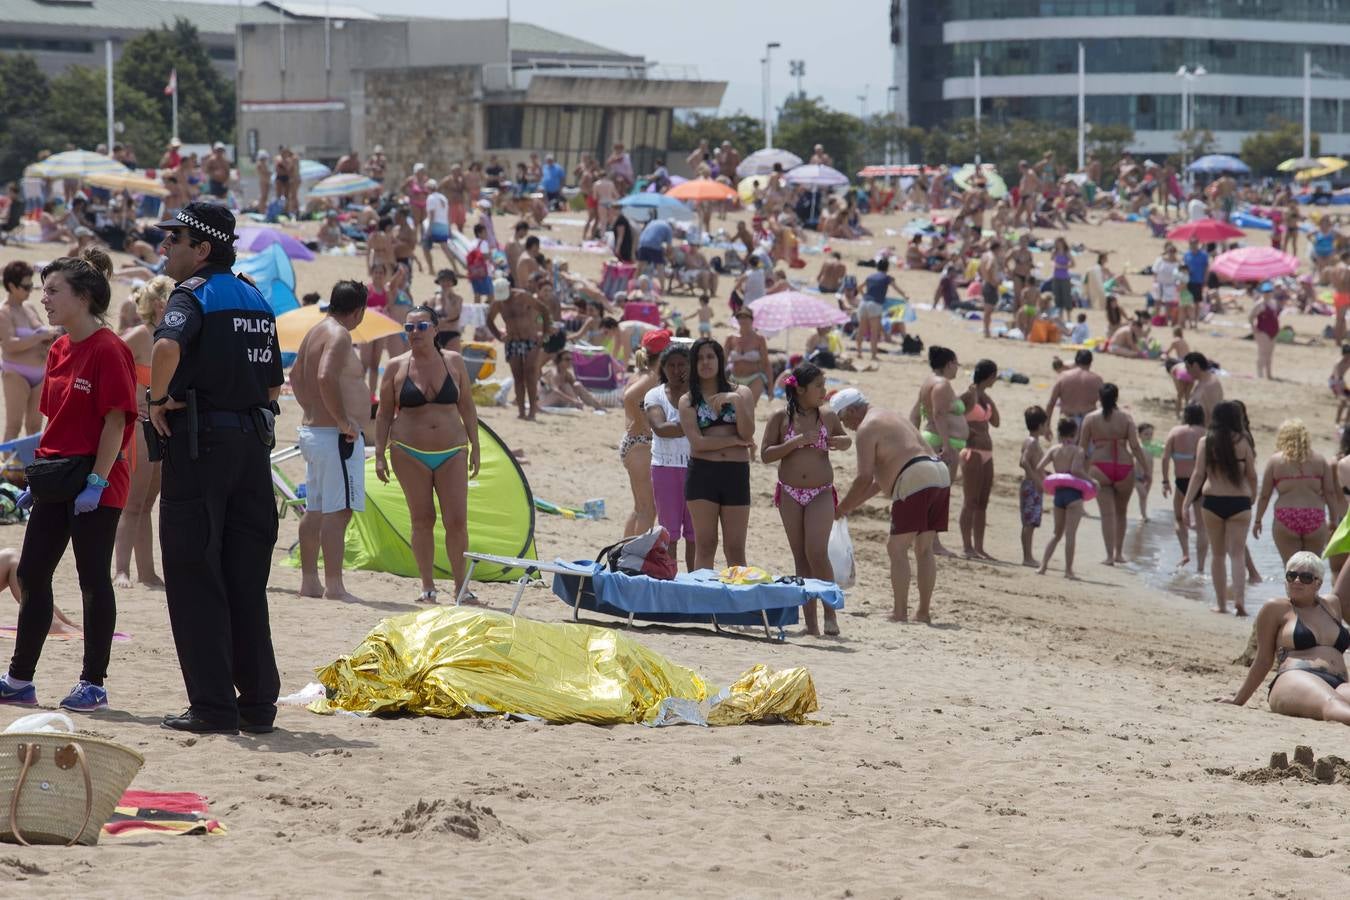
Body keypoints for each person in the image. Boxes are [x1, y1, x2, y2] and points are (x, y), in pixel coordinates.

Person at [146, 203, 285, 734]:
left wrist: (157, 401)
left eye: (174, 239)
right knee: (246, 579)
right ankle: (258, 704)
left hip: (201, 447)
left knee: (193, 572)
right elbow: (273, 387)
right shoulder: (256, 297)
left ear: (202, 249)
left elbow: (165, 348)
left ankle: (212, 705)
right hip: (252, 449)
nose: (165, 247)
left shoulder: (192, 295)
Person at [0, 250, 135, 712]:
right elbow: (53, 421)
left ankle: (93, 683)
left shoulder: (109, 348)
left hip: (98, 477)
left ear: (84, 297)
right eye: (44, 290)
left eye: (54, 291)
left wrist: (96, 481)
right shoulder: (58, 348)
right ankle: (20, 680)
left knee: (93, 578)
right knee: (32, 572)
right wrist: (35, 477)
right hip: (56, 477)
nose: (45, 299)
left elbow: (115, 422)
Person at [374, 305, 479, 603]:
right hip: (409, 451)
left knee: (456, 520)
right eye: (409, 328)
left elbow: (467, 406)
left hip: (453, 450)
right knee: (422, 519)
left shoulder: (454, 361)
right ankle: (427, 586)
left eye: (421, 327)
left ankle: (460, 587)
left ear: (435, 329)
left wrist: (475, 446)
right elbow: (383, 413)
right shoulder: (395, 366)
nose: (415, 333)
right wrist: (379, 454)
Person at [834, 389, 949, 623]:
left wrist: (841, 508)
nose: (847, 426)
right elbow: (878, 482)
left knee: (896, 548)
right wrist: (849, 506)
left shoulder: (867, 428)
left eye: (844, 419)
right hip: (939, 472)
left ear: (853, 410)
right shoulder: (892, 416)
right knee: (924, 549)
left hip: (914, 475)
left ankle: (899, 612)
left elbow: (864, 478)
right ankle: (923, 612)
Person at [290, 281, 370, 602]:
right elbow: (325, 376)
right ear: (359, 310)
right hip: (335, 436)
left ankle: (310, 581)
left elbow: (295, 376)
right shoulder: (339, 334)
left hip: (315, 432)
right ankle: (334, 585)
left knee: (316, 508)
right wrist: (342, 420)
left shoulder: (315, 331)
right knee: (339, 511)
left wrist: (312, 408)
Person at [760, 363, 850, 636]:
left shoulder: (827, 416)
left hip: (820, 492)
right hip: (789, 492)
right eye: (818, 386)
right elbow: (766, 454)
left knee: (817, 553)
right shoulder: (780, 418)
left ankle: (830, 616)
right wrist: (795, 442)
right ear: (800, 390)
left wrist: (841, 443)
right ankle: (811, 624)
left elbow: (845, 439)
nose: (824, 391)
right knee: (800, 557)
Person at [1219, 552, 1350, 724]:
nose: (1297, 581)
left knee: (1338, 702)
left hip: (1338, 682)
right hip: (1295, 678)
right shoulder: (1275, 608)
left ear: (1318, 583)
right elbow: (1263, 659)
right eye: (1291, 576)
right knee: (1332, 704)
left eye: (1305, 577)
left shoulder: (1331, 604)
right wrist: (1238, 699)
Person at [112, 275, 174, 589]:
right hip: (137, 426)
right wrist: (128, 400)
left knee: (147, 504)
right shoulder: (140, 335)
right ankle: (121, 569)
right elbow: (107, 363)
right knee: (132, 503)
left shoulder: (170, 339)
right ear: (161, 304)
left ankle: (146, 572)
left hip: (160, 425)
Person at [678, 338, 754, 571]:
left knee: (735, 549)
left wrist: (735, 402)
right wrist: (733, 441)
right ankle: (703, 595)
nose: (705, 362)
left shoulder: (741, 393)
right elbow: (698, 443)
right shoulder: (688, 400)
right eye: (700, 358)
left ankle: (738, 595)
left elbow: (748, 432)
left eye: (710, 357)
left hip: (735, 474)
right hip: (703, 474)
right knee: (706, 545)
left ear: (720, 360)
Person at [1184, 401, 1258, 616]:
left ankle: (1221, 604)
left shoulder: (1205, 442)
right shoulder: (1244, 441)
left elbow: (1198, 474)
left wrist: (1186, 503)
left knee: (1217, 555)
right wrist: (1252, 497)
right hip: (1239, 502)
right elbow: (1252, 475)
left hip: (1213, 501)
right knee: (1237, 554)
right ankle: (1240, 601)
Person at [1080, 383, 1148, 566]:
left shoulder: (1090, 418)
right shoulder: (1126, 418)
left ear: (1099, 397)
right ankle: (1119, 554)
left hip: (1100, 466)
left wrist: (1078, 470)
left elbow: (1082, 448)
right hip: (1124, 466)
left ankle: (1109, 556)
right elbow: (1135, 446)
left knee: (1107, 515)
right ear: (1116, 397)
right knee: (1121, 512)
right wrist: (1145, 468)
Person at [1254, 419, 1335, 565]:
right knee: (1312, 569)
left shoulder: (1275, 461)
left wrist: (1258, 520)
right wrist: (1334, 520)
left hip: (1286, 516)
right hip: (1314, 515)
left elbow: (1265, 496)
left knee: (1291, 569)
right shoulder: (1319, 460)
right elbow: (1330, 493)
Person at [645, 345, 696, 571]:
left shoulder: (698, 394)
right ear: (663, 368)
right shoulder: (654, 395)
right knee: (669, 533)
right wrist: (694, 424)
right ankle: (670, 576)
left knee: (696, 534)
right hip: (665, 467)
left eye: (682, 365)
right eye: (671, 365)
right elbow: (660, 429)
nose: (677, 370)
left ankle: (696, 578)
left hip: (697, 467)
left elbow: (670, 428)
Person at [0, 261, 56, 441]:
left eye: (31, 285)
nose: (30, 290)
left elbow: (44, 332)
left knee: (34, 428)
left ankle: (30, 460)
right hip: (16, 373)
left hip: (41, 373)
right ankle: (8, 460)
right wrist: (39, 337)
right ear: (11, 286)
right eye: (26, 287)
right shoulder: (4, 312)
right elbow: (9, 344)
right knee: (13, 426)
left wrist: (50, 337)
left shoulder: (30, 307)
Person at [619, 331, 668, 538]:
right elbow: (629, 397)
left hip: (634, 444)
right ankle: (636, 554)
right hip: (641, 445)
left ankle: (624, 550)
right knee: (648, 509)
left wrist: (637, 421)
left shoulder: (641, 373)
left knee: (640, 507)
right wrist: (640, 423)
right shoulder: (651, 376)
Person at [486, 277, 551, 421]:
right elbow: (489, 320)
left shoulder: (522, 297)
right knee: (518, 377)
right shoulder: (499, 303)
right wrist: (499, 336)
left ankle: (532, 411)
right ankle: (521, 411)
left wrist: (545, 334)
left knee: (530, 373)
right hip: (512, 341)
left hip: (530, 339)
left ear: (509, 287)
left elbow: (544, 310)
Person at [1037, 416, 1092, 579]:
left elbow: (1039, 467)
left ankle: (1043, 566)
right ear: (1075, 433)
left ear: (1059, 432)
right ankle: (1068, 571)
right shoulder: (1078, 450)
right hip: (1074, 495)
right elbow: (1075, 470)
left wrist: (1048, 480)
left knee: (1056, 533)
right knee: (1070, 534)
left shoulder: (1054, 449)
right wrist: (1091, 480)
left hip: (1059, 494)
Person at [958, 360, 1000, 559]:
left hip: (987, 451)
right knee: (970, 500)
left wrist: (985, 396)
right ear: (989, 376)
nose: (996, 379)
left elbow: (996, 422)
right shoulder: (968, 396)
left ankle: (979, 547)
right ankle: (967, 546)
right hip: (972, 450)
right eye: (994, 376)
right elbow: (952, 415)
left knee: (983, 502)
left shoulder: (985, 397)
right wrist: (966, 431)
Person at [1162, 403, 1209, 570]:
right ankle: (1200, 567)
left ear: (1185, 415)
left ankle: (1185, 553)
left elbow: (1165, 458)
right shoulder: (1206, 434)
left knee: (1179, 518)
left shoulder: (1175, 432)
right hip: (1201, 482)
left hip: (1181, 481)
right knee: (1202, 527)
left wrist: (1165, 481)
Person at [1019, 405, 1050, 567]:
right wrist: (1036, 480)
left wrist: (1046, 475)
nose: (1047, 428)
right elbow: (1024, 462)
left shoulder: (1031, 441)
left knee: (1030, 522)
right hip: (1031, 487)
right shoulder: (1032, 442)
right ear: (1040, 425)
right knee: (1029, 523)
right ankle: (1027, 557)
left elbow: (1034, 464)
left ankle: (1028, 556)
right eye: (1046, 425)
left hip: (1032, 485)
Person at [724, 307, 772, 404]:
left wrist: (770, 387)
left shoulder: (759, 339)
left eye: (745, 317)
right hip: (734, 378)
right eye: (739, 317)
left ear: (751, 319)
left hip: (754, 378)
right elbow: (723, 361)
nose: (742, 320)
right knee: (733, 408)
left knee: (749, 406)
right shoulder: (730, 338)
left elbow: (766, 364)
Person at [1045, 349, 1102, 428]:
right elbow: (1104, 405)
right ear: (1090, 362)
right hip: (1088, 421)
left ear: (1076, 361)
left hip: (1067, 421)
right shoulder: (1097, 380)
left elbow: (1051, 403)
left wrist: (1047, 425)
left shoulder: (1063, 376)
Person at [859, 258, 892, 360]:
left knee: (861, 330)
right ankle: (873, 356)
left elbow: (859, 287)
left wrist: (864, 296)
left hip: (864, 303)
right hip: (875, 304)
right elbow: (897, 288)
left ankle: (859, 353)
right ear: (887, 268)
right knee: (874, 332)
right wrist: (905, 296)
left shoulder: (870, 277)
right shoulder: (887, 278)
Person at [1249, 285, 1280, 380]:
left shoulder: (1273, 303)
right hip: (1262, 331)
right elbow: (1251, 317)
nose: (1268, 294)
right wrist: (1254, 328)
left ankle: (1269, 374)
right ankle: (1260, 374)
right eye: (1266, 292)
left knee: (1269, 354)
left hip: (1273, 331)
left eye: (1270, 292)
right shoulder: (1259, 304)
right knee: (1262, 353)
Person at [1184, 351, 1223, 422]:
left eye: (1188, 368)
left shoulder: (1210, 385)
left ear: (1195, 366)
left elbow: (1213, 414)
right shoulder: (1202, 382)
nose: (1187, 372)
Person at [978, 239, 1003, 339]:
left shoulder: (984, 255)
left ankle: (986, 330)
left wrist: (986, 278)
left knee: (987, 310)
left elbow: (980, 269)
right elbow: (989, 268)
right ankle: (987, 331)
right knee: (988, 311)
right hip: (990, 285)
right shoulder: (992, 257)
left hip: (985, 283)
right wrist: (993, 281)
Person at [1049, 237, 1075, 317]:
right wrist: (1054, 264)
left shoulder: (1067, 253)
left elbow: (1073, 264)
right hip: (1056, 277)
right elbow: (1051, 261)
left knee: (1066, 297)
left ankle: (1069, 316)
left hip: (1065, 277)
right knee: (1057, 297)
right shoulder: (1054, 252)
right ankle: (1060, 316)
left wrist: (1063, 267)